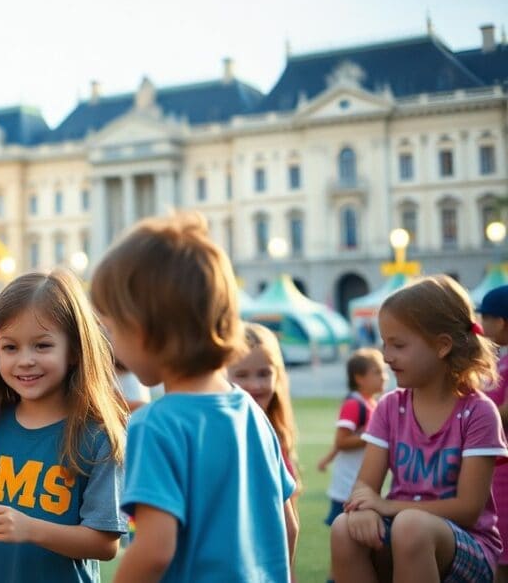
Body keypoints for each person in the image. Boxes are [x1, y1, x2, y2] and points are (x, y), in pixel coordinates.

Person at [90, 213, 298, 581]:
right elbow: (289, 526)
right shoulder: (250, 411)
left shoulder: (155, 424)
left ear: (144, 331)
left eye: (111, 329)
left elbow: (154, 549)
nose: (112, 345)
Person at [0, 269, 128, 582]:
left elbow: (105, 543)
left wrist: (32, 530)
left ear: (73, 351)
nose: (25, 360)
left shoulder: (98, 436)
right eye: (10, 347)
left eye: (42, 346)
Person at [331, 275, 507, 583]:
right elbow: (365, 487)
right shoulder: (389, 407)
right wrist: (365, 508)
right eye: (384, 344)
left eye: (398, 345)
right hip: (406, 530)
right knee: (345, 528)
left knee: (411, 525)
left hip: (470, 549)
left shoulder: (478, 412)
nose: (386, 357)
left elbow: (467, 509)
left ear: (442, 346)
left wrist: (385, 506)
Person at [316, 348, 387, 583]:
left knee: (358, 548)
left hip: (362, 488)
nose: (384, 376)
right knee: (346, 548)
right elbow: (342, 440)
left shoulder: (372, 404)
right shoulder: (354, 404)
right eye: (377, 371)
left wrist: (327, 459)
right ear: (359, 377)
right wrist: (374, 435)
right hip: (348, 489)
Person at [229, 322, 300, 481]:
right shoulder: (225, 436)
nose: (255, 385)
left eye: (264, 374)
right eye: (241, 375)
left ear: (278, 375)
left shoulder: (277, 429)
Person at [479, 285, 508, 583]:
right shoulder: (501, 360)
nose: (481, 325)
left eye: (484, 318)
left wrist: (473, 419)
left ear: (500, 322)